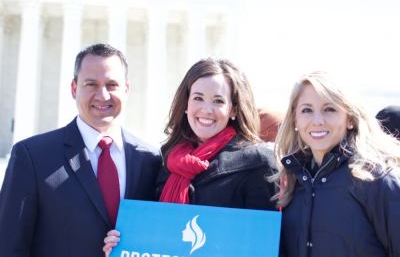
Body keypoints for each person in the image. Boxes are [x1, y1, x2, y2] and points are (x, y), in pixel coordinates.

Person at [0, 43, 162, 257]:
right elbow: (9, 245)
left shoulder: (150, 159)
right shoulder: (32, 156)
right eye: (91, 84)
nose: (103, 95)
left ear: (126, 89)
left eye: (112, 84)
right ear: (74, 89)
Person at [103, 58, 277, 256]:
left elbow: (266, 246)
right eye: (198, 98)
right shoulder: (167, 160)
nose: (206, 109)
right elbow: (152, 236)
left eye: (218, 101)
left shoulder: (258, 163)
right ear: (186, 104)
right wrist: (122, 243)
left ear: (234, 109)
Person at [271, 71, 400, 257]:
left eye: (329, 109)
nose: (318, 121)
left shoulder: (378, 180)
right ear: (294, 120)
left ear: (350, 119)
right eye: (307, 110)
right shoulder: (291, 181)